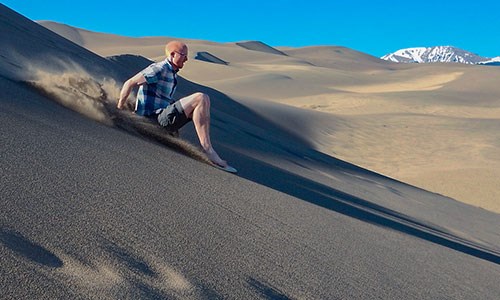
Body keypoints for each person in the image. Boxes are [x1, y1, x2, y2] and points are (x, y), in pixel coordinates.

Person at [117, 40, 227, 168]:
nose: (186, 59)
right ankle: (208, 150)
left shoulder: (172, 74)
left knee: (200, 105)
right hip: (152, 119)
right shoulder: (159, 69)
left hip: (162, 120)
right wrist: (119, 108)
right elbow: (129, 83)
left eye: (187, 56)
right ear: (173, 54)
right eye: (183, 55)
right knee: (201, 98)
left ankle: (202, 146)